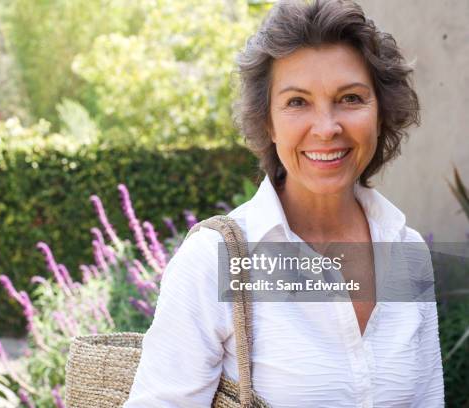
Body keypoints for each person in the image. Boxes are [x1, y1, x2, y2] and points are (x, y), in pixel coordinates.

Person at [123, 0, 444, 406]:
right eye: (297, 102)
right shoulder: (214, 259)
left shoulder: (407, 252)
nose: (327, 128)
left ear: (380, 112)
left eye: (350, 98)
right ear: (268, 123)